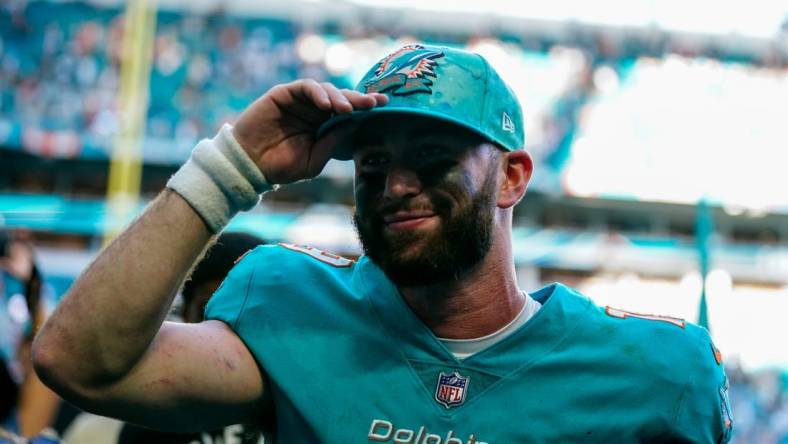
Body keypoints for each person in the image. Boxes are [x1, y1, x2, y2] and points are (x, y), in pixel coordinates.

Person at [31, 44, 732, 443]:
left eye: (430, 155)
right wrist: (235, 164)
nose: (396, 184)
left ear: (513, 175)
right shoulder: (294, 311)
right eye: (372, 164)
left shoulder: (655, 375)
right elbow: (80, 363)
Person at [116, 232, 268, 444]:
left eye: (245, 316)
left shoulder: (298, 407)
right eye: (210, 312)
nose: (223, 334)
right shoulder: (147, 416)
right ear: (186, 313)